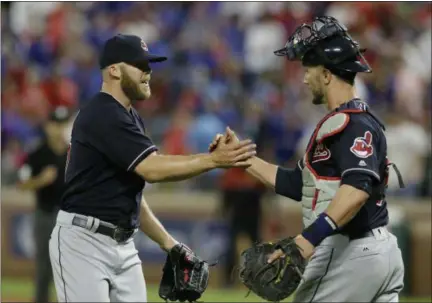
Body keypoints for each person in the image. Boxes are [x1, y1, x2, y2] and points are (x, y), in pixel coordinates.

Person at [48, 34, 256, 302]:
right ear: (113, 70)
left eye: (149, 65)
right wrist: (213, 160)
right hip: (83, 243)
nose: (148, 72)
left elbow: (132, 197)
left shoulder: (129, 117)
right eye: (139, 65)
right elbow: (152, 169)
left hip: (122, 244)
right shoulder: (102, 113)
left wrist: (169, 243)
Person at [210, 16, 405, 302]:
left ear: (326, 74)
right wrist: (240, 157)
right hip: (379, 254)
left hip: (348, 254)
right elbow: (296, 183)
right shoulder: (350, 121)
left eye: (309, 69)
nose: (304, 78)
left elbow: (356, 190)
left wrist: (307, 240)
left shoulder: (351, 123)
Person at [17, 106, 71, 303]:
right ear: (48, 126)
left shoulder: (75, 153)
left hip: (72, 219)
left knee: (71, 268)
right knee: (44, 268)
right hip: (45, 214)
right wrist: (40, 180)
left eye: (63, 124)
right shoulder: (37, 152)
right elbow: (21, 183)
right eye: (55, 124)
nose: (58, 128)